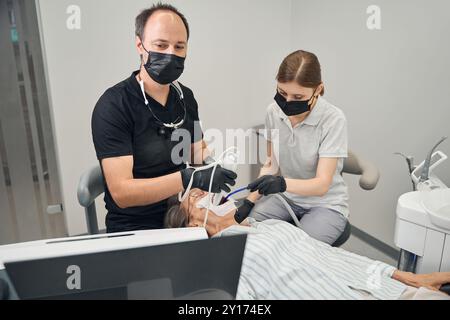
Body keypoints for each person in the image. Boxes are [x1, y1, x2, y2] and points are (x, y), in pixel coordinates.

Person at [91, 3, 236, 233]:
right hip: (136, 225)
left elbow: (196, 153)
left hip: (181, 213)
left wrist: (213, 167)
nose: (171, 54)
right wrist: (189, 178)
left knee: (242, 243)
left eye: (179, 47)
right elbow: (122, 193)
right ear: (140, 45)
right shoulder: (114, 105)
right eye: (161, 45)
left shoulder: (185, 97)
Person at [164, 190, 450, 300]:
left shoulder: (271, 226)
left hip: (385, 291)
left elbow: (336, 258)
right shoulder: (225, 263)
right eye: (196, 197)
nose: (210, 193)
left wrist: (407, 277)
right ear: (191, 225)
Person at [247, 50, 349, 245]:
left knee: (299, 250)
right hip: (286, 198)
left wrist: (282, 183)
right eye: (282, 93)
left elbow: (321, 185)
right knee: (252, 233)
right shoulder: (273, 112)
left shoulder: (333, 119)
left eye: (298, 96)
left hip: (325, 204)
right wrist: (250, 200)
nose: (287, 103)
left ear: (318, 90)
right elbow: (271, 164)